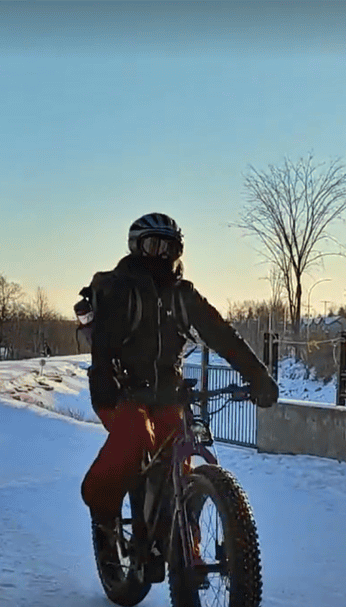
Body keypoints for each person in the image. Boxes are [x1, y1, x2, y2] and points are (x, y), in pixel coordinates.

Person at [79, 212, 278, 576]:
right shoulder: (117, 287)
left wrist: (257, 375)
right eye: (152, 245)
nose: (160, 255)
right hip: (123, 391)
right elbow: (103, 341)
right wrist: (104, 378)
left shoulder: (183, 297)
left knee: (179, 454)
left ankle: (184, 544)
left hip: (168, 394)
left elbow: (222, 335)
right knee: (136, 438)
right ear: (136, 247)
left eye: (168, 247)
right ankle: (103, 510)